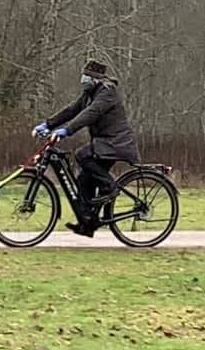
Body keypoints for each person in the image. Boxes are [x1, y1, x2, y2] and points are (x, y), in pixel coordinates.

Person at [31, 59, 140, 238]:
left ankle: (110, 187)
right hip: (104, 143)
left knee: (82, 155)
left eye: (87, 76)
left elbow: (89, 114)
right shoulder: (89, 94)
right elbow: (71, 110)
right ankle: (88, 223)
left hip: (116, 142)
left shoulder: (107, 93)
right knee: (84, 179)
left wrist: (67, 130)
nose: (83, 79)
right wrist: (47, 124)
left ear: (96, 79)